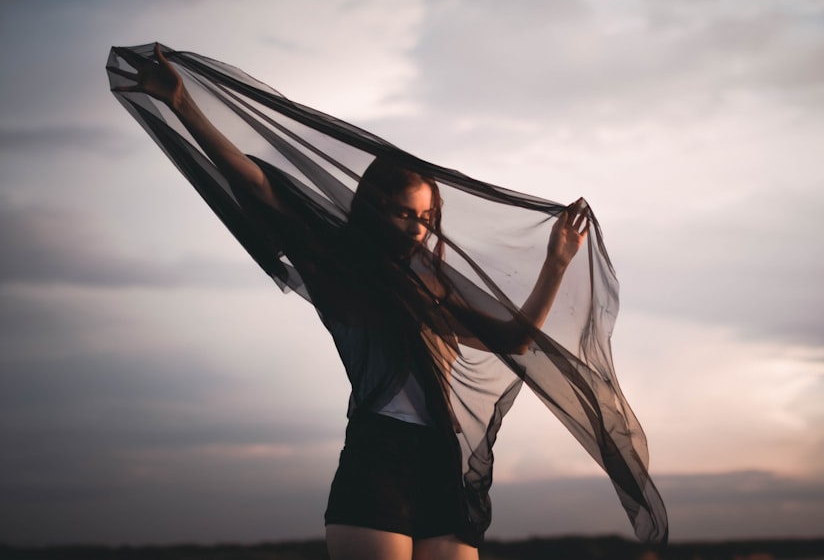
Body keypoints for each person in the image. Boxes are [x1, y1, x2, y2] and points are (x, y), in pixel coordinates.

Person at [110, 44, 591, 560]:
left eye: (428, 219)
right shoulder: (340, 267)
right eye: (408, 214)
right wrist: (184, 106)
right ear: (376, 209)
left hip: (441, 459)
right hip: (378, 455)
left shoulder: (436, 290)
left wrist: (557, 264)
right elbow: (257, 185)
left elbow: (515, 338)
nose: (419, 228)